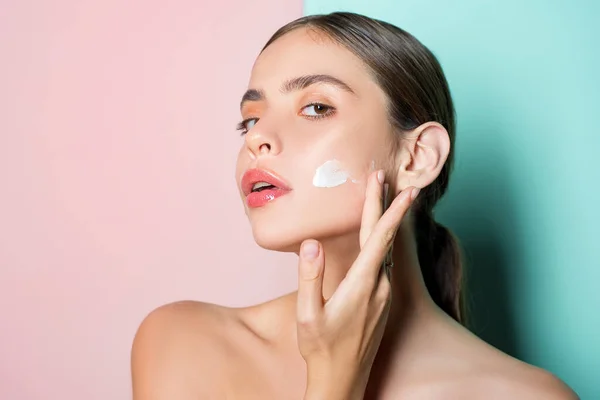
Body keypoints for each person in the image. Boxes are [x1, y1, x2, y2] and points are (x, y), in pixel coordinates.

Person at [131, 12, 578, 399]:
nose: (255, 137)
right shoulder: (186, 344)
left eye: (316, 107)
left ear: (418, 157)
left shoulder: (529, 395)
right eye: (250, 118)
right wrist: (333, 384)